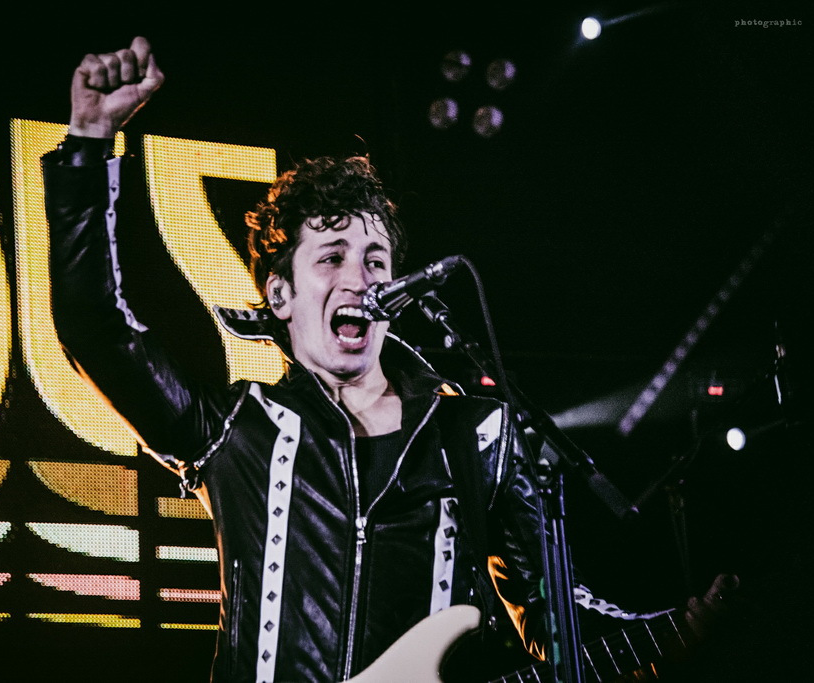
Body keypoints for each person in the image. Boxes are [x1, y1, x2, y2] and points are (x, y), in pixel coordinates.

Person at [44, 36, 734, 683]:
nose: (360, 278)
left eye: (376, 260)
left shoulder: (473, 437)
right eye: (332, 257)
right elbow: (95, 327)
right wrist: (88, 144)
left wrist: (677, 629)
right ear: (280, 294)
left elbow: (558, 624)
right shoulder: (239, 431)